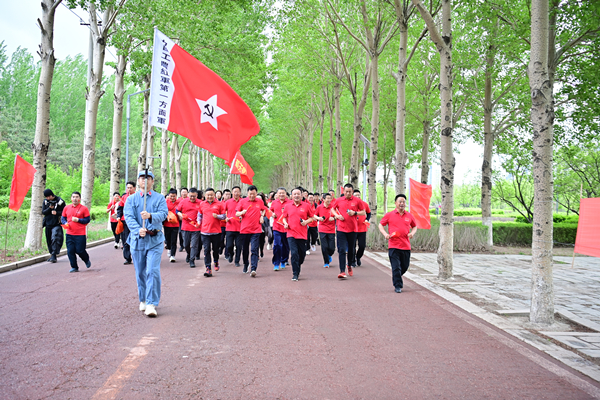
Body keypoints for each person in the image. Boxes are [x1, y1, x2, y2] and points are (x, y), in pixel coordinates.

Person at [124, 171, 168, 317]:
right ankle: (142, 299)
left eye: (148, 178)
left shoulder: (159, 198)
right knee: (140, 272)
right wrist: (138, 230)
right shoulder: (131, 199)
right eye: (142, 178)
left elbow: (163, 214)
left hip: (155, 240)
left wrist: (150, 216)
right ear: (138, 181)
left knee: (152, 271)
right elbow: (129, 217)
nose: (145, 181)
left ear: (152, 182)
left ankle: (151, 303)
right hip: (137, 241)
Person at [378, 194, 417, 293]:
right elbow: (381, 225)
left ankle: (397, 277)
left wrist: (412, 233)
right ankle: (398, 286)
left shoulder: (409, 215)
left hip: (406, 246)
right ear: (395, 203)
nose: (402, 203)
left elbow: (415, 226)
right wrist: (385, 234)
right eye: (400, 201)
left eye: (403, 202)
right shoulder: (389, 215)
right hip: (393, 246)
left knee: (404, 266)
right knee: (396, 267)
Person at [330, 183, 366, 279]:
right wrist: (337, 216)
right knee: (341, 249)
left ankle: (349, 264)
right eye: (346, 191)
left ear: (352, 192)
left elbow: (364, 212)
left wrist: (355, 213)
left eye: (350, 192)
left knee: (351, 249)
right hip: (341, 228)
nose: (348, 193)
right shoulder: (339, 200)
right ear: (343, 191)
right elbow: (332, 210)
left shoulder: (357, 201)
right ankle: (342, 271)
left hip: (353, 229)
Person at [282, 188, 314, 281]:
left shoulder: (306, 206)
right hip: (291, 233)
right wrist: (285, 223)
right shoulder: (287, 206)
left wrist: (305, 222)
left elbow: (311, 218)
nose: (296, 195)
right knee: (294, 253)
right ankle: (295, 273)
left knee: (301, 255)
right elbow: (284, 217)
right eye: (294, 194)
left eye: (298, 194)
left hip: (302, 234)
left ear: (301, 195)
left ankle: (298, 265)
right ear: (291, 196)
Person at [236, 185, 268, 277]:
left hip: (256, 230)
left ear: (256, 193)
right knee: (245, 249)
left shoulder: (260, 201)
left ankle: (253, 268)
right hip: (244, 230)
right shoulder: (242, 201)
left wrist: (262, 216)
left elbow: (264, 210)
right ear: (247, 193)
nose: (252, 196)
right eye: (250, 194)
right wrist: (241, 213)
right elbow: (237, 213)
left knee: (254, 249)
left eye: (254, 194)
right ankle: (246, 264)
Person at [61, 192, 91, 273]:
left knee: (80, 250)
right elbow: (63, 218)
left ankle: (86, 259)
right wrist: (64, 223)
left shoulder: (84, 208)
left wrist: (78, 220)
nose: (75, 198)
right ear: (71, 198)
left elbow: (87, 219)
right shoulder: (66, 208)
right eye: (73, 197)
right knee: (70, 251)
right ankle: (74, 267)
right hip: (69, 233)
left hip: (80, 234)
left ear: (79, 199)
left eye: (76, 197)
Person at [198, 188, 226, 277]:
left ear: (214, 195)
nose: (209, 196)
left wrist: (217, 216)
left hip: (216, 232)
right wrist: (198, 222)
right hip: (205, 231)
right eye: (208, 195)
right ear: (205, 196)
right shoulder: (202, 204)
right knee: (206, 250)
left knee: (215, 250)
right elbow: (199, 215)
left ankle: (216, 261)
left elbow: (224, 216)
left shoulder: (219, 204)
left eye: (211, 195)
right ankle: (208, 268)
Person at [177, 188, 202, 268]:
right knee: (186, 244)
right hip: (185, 226)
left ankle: (192, 260)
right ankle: (189, 253)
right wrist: (181, 215)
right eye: (191, 196)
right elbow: (177, 211)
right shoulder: (183, 201)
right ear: (188, 195)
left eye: (194, 196)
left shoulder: (201, 203)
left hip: (196, 227)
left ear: (197, 195)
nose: (192, 198)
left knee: (194, 244)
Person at [42, 188, 65, 263]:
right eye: (46, 197)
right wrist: (49, 208)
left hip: (57, 224)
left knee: (55, 238)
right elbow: (43, 212)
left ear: (52, 195)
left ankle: (54, 255)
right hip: (48, 224)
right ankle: (52, 254)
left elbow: (65, 212)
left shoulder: (60, 201)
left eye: (49, 196)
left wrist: (57, 213)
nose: (48, 198)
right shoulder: (45, 202)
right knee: (49, 240)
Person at [313, 192, 336, 268]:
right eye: (328, 198)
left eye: (330, 198)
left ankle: (329, 255)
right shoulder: (319, 207)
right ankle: (326, 262)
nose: (329, 200)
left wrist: (334, 218)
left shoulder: (333, 207)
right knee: (324, 246)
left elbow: (338, 215)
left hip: (331, 229)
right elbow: (314, 215)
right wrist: (318, 218)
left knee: (332, 248)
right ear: (323, 199)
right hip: (322, 229)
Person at [270, 187, 290, 271]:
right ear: (277, 194)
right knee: (277, 245)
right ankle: (276, 262)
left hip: (287, 228)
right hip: (277, 227)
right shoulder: (274, 202)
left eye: (283, 193)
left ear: (286, 194)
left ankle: (283, 260)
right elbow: (270, 211)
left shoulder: (290, 203)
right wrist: (272, 214)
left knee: (286, 246)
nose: (281, 194)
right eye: (280, 193)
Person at [117, 181, 137, 265]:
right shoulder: (124, 197)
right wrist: (118, 216)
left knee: (136, 239)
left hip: (136, 221)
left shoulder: (138, 196)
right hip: (125, 221)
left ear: (134, 188)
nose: (129, 189)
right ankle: (127, 258)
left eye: (131, 188)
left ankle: (137, 256)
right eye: (127, 188)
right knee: (125, 239)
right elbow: (120, 208)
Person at [224, 186, 244, 267]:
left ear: (240, 193)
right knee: (229, 245)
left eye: (238, 191)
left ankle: (237, 260)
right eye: (234, 191)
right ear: (232, 193)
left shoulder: (243, 201)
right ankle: (231, 254)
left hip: (240, 228)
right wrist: (226, 218)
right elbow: (223, 212)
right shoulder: (228, 202)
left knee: (239, 246)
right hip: (229, 227)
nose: (236, 193)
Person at [353, 189, 371, 267]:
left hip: (362, 229)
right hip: (352, 229)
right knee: (352, 246)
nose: (357, 196)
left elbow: (369, 213)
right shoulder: (351, 204)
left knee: (362, 246)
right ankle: (352, 260)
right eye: (356, 195)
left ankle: (358, 257)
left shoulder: (364, 204)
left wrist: (367, 219)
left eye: (358, 195)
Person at [164, 188, 180, 262]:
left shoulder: (179, 202)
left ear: (176, 196)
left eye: (174, 196)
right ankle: (169, 249)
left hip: (175, 224)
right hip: (167, 224)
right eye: (171, 196)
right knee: (167, 239)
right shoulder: (165, 202)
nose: (172, 198)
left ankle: (172, 255)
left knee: (174, 240)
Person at [220, 189, 231, 256]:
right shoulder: (220, 203)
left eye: (229, 194)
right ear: (223, 195)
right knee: (220, 239)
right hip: (221, 224)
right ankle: (221, 246)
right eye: (226, 194)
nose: (228, 196)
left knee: (228, 240)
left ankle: (227, 253)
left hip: (230, 224)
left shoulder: (232, 203)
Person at [177, 187, 189, 252]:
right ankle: (182, 245)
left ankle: (187, 244)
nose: (184, 193)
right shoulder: (178, 200)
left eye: (185, 192)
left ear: (187, 193)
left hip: (188, 219)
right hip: (180, 219)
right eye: (182, 192)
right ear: (181, 193)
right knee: (180, 232)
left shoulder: (189, 199)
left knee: (187, 233)